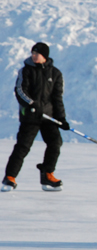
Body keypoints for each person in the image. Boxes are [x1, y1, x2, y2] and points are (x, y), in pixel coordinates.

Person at [2, 42, 70, 193]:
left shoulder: (55, 73)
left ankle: (47, 174)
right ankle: (10, 177)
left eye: (36, 53)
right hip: (30, 117)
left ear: (44, 56)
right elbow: (20, 90)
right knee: (23, 147)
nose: (33, 55)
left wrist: (62, 119)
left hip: (48, 117)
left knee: (55, 143)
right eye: (32, 53)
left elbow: (57, 98)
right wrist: (32, 104)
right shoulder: (25, 71)